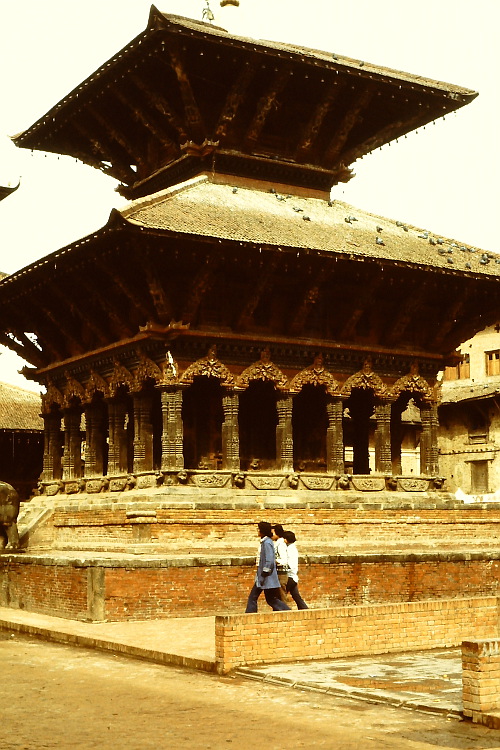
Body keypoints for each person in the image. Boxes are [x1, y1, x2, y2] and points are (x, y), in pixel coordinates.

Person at [245, 521, 291, 613]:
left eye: (259, 529)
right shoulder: (266, 542)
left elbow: (269, 560)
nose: (257, 531)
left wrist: (264, 573)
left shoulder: (267, 543)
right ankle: (287, 611)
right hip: (265, 577)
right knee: (271, 599)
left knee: (253, 597)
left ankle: (249, 615)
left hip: (265, 577)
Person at [283, 530, 308, 610]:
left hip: (290, 576)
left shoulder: (290, 549)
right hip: (293, 576)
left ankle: (284, 610)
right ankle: (304, 609)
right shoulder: (292, 548)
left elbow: (289, 564)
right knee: (296, 596)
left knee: (280, 595)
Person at [271, 523, 289, 601]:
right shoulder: (277, 543)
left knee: (281, 596)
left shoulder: (281, 544)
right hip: (278, 573)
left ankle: (285, 611)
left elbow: (284, 560)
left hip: (281, 574)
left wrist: (274, 561)